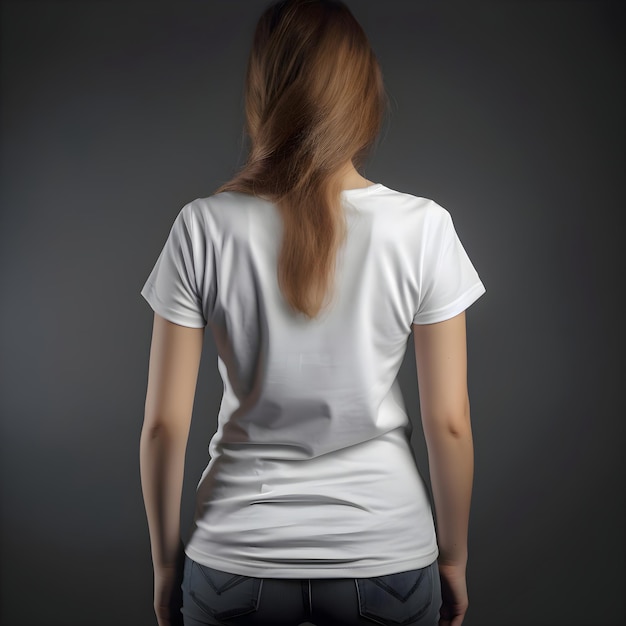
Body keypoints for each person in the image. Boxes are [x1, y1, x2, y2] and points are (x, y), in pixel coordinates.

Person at [139, 1, 485, 625]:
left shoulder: (203, 227)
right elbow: (450, 421)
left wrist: (168, 567)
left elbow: (165, 425)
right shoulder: (424, 228)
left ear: (264, 93)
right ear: (363, 92)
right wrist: (452, 560)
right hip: (387, 557)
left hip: (235, 560)